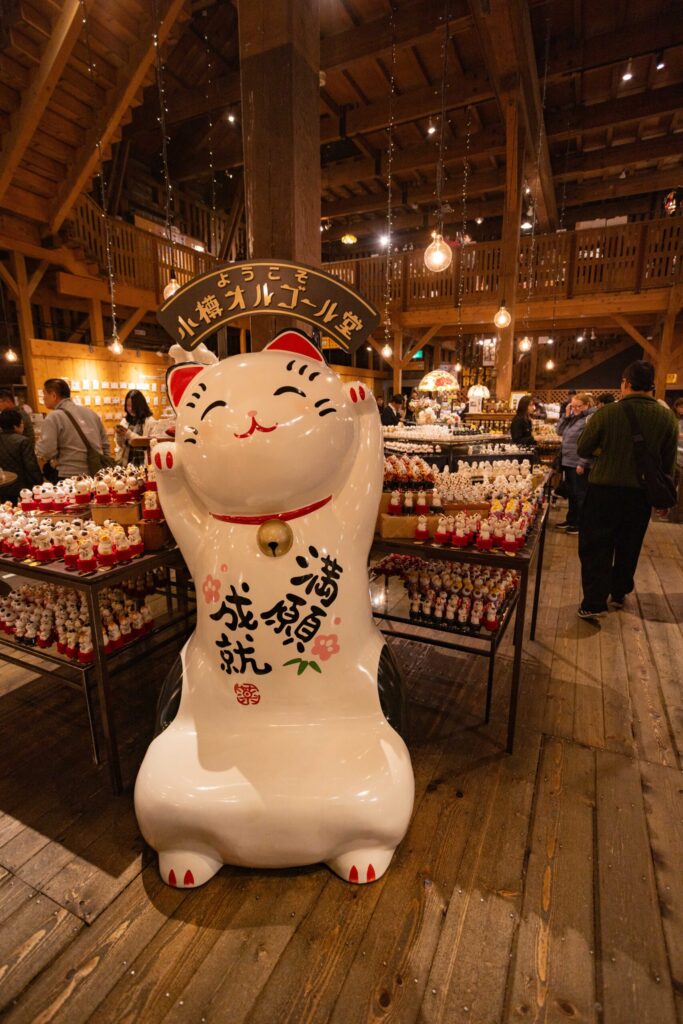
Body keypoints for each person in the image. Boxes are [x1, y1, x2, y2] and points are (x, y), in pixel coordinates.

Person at [575, 360, 678, 619]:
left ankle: (593, 602)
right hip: (640, 494)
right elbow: (668, 463)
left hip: (603, 490)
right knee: (629, 544)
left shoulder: (607, 413)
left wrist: (604, 452)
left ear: (627, 384)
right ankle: (619, 590)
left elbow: (583, 448)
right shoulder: (667, 417)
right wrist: (663, 497)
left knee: (596, 545)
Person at [36, 378, 111, 479]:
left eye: (44, 394)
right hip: (96, 473)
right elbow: (105, 444)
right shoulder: (90, 412)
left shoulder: (53, 417)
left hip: (69, 475)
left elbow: (46, 451)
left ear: (53, 395)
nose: (43, 398)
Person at [555, 392, 593, 534]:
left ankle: (580, 524)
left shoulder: (590, 419)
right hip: (568, 461)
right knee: (571, 494)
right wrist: (566, 414)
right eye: (573, 406)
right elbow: (559, 431)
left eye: (579, 406)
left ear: (587, 405)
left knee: (580, 495)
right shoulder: (573, 418)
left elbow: (590, 443)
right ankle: (571, 520)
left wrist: (583, 463)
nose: (575, 409)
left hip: (578, 463)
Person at [0, 408, 42, 502]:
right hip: (21, 489)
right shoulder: (23, 441)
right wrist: (40, 484)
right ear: (15, 426)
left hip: (2, 487)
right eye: (22, 423)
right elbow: (32, 467)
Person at [116, 389, 156, 466]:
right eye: (128, 405)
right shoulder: (125, 421)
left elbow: (150, 444)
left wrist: (129, 434)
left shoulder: (150, 421)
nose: (130, 408)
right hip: (127, 463)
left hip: (144, 463)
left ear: (139, 405)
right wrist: (119, 435)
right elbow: (121, 445)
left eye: (132, 406)